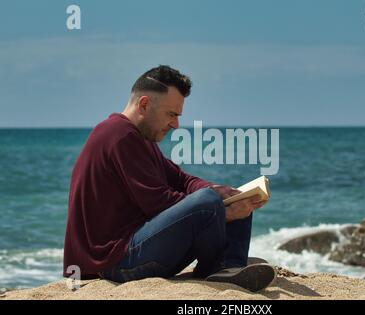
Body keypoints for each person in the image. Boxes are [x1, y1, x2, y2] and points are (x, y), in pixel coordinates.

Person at [63, 65, 276, 292]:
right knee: (209, 201)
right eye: (171, 114)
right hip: (113, 263)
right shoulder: (119, 135)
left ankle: (229, 266)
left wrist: (222, 192)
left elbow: (182, 180)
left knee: (229, 195)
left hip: (133, 251)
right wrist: (222, 211)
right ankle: (222, 266)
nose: (175, 124)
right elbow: (158, 202)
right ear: (144, 104)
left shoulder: (140, 138)